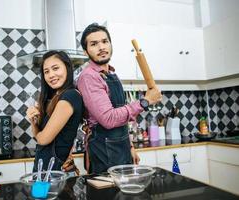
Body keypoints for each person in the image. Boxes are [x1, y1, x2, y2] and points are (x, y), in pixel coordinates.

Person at [77, 23, 162, 174]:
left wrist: (130, 147)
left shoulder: (111, 74)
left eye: (105, 41)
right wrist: (145, 101)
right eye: (94, 44)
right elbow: (109, 119)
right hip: (104, 150)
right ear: (86, 51)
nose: (101, 47)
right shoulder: (89, 76)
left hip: (121, 147)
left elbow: (120, 116)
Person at [26, 50, 83, 172]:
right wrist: (33, 121)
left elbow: (43, 139)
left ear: (67, 68)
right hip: (45, 170)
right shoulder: (55, 98)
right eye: (46, 71)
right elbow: (39, 137)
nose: (51, 75)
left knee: (42, 192)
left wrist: (39, 133)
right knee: (38, 192)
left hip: (55, 173)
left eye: (55, 68)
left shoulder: (70, 96)